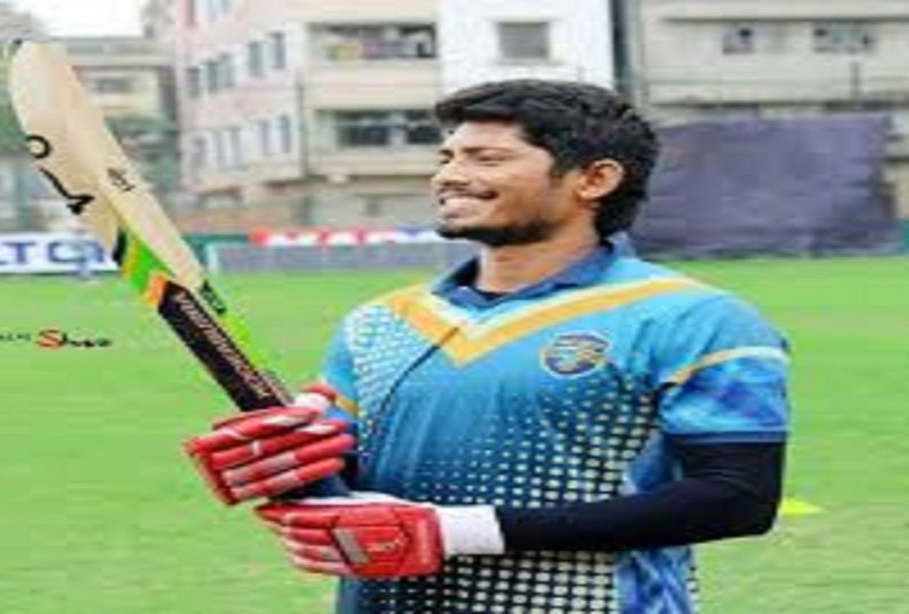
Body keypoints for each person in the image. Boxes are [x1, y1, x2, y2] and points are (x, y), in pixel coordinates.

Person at [185, 79, 790, 614]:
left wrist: (456, 532)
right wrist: (289, 469)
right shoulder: (379, 322)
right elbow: (348, 490)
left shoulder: (696, 318)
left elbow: (737, 499)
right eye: (447, 156)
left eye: (487, 158)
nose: (448, 175)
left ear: (595, 179)